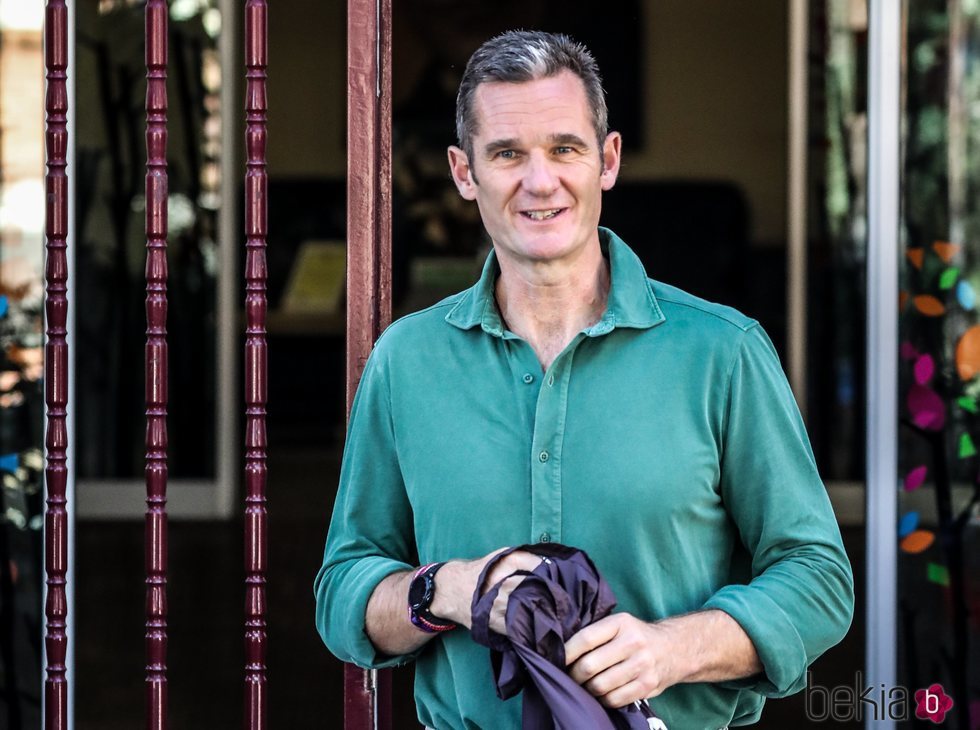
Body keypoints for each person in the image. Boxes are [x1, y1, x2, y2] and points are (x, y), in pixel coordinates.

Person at [315, 30, 853, 730]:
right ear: (463, 172)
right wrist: (448, 588)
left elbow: (818, 579)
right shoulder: (406, 362)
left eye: (564, 148)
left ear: (608, 160)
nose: (540, 182)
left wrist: (673, 649)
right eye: (507, 154)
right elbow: (341, 594)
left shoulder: (723, 352)